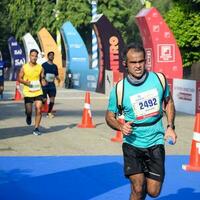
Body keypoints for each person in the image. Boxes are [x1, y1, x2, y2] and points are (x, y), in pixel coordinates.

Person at [105, 43, 177, 200]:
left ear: (145, 61)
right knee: (137, 188)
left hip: (156, 140)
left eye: (141, 61)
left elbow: (169, 102)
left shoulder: (159, 79)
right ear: (125, 64)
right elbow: (109, 116)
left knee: (153, 191)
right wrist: (120, 126)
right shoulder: (119, 89)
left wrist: (170, 127)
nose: (138, 66)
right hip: (132, 143)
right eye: (133, 62)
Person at [18, 49, 46, 135]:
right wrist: (25, 82)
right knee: (29, 111)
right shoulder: (24, 67)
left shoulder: (40, 68)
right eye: (32, 56)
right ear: (29, 56)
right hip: (28, 91)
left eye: (35, 56)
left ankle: (36, 128)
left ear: (37, 57)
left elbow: (42, 78)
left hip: (38, 91)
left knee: (38, 109)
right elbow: (19, 78)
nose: (34, 57)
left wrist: (43, 81)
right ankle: (28, 116)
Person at [42, 51, 60, 118]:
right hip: (45, 84)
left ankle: (49, 112)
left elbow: (56, 75)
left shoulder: (55, 66)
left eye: (53, 55)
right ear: (48, 56)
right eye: (50, 55)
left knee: (52, 99)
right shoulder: (44, 65)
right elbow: (42, 74)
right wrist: (43, 78)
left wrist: (58, 79)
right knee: (44, 99)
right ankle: (43, 106)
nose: (52, 56)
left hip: (52, 84)